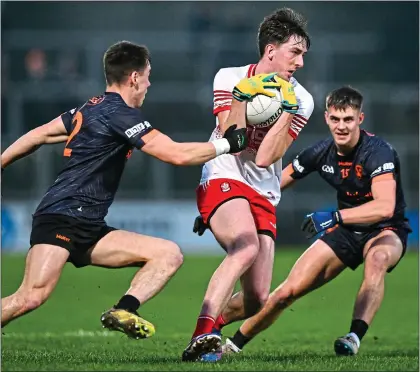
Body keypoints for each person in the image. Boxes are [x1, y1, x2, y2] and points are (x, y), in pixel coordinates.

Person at [0, 40, 267, 339]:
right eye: (148, 75)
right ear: (134, 77)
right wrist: (227, 145)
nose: (150, 83)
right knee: (31, 296)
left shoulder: (89, 108)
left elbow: (37, 134)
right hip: (63, 216)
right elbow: (176, 154)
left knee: (168, 254)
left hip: (88, 226)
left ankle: (123, 309)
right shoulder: (121, 115)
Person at [196, 85, 411, 359]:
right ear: (326, 118)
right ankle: (229, 344)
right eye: (335, 119)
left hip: (386, 229)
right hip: (346, 230)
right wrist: (219, 207)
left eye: (348, 119)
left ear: (360, 119)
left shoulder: (378, 152)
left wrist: (335, 216)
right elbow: (270, 185)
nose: (341, 126)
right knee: (286, 292)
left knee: (378, 259)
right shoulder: (321, 152)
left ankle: (354, 336)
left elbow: (384, 207)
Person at [182, 8, 314, 362]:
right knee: (245, 247)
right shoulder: (230, 77)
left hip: (262, 189)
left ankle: (212, 325)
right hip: (224, 172)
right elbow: (231, 138)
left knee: (257, 298)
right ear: (271, 50)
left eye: (303, 55)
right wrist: (242, 96)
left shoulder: (303, 99)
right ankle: (202, 333)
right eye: (295, 52)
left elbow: (264, 158)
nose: (300, 63)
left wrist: (286, 108)